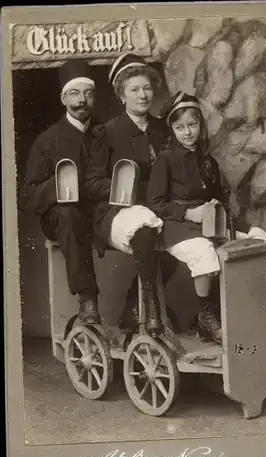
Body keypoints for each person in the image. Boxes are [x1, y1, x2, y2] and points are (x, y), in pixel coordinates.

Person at [147, 91, 266, 344]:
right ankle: (206, 315)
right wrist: (187, 212)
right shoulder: (166, 159)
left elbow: (220, 199)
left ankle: (250, 307)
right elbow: (154, 203)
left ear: (200, 125)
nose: (187, 132)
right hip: (177, 225)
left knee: (257, 237)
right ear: (172, 129)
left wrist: (224, 214)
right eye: (180, 127)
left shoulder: (208, 161)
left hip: (212, 221)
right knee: (205, 250)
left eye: (192, 125)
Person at [85, 53, 179, 338]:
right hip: (117, 212)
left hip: (157, 207)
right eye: (134, 89)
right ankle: (150, 308)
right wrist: (121, 189)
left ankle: (132, 305)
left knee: (181, 238)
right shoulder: (108, 132)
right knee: (145, 229)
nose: (143, 95)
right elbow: (91, 183)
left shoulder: (163, 129)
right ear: (122, 95)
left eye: (147, 88)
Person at [21, 59, 105, 325]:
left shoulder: (106, 132)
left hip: (100, 214)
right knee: (68, 214)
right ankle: (87, 298)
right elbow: (29, 197)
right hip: (60, 218)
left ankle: (135, 307)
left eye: (88, 94)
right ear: (63, 98)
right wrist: (57, 187)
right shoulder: (47, 140)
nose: (82, 101)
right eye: (75, 93)